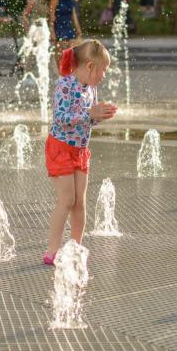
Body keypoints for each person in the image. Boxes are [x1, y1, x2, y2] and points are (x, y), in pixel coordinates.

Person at [43, 40, 118, 265]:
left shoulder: (91, 89)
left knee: (80, 203)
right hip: (61, 148)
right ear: (89, 66)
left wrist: (99, 115)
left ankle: (76, 247)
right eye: (102, 70)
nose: (103, 75)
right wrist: (89, 113)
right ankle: (52, 251)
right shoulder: (65, 85)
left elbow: (87, 121)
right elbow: (61, 119)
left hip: (80, 150)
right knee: (67, 200)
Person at [49, 0, 82, 64]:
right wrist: (52, 31)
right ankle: (60, 71)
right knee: (60, 50)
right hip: (58, 26)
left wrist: (78, 29)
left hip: (68, 26)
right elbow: (51, 14)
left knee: (71, 50)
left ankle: (67, 70)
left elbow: (73, 15)